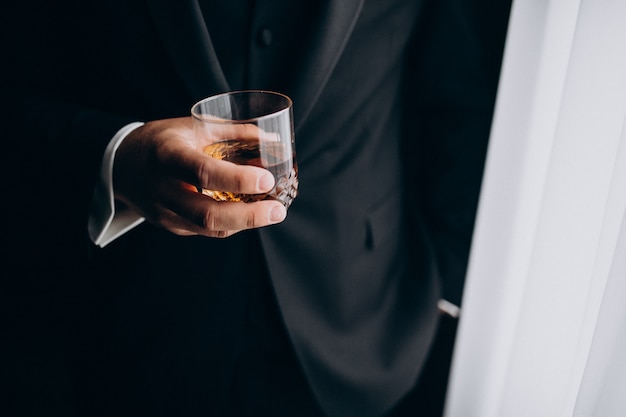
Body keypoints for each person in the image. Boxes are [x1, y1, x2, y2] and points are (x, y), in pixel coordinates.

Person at [1, 0, 511, 416]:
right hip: (137, 325)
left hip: (367, 323)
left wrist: (449, 280)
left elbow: (461, 95)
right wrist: (116, 160)